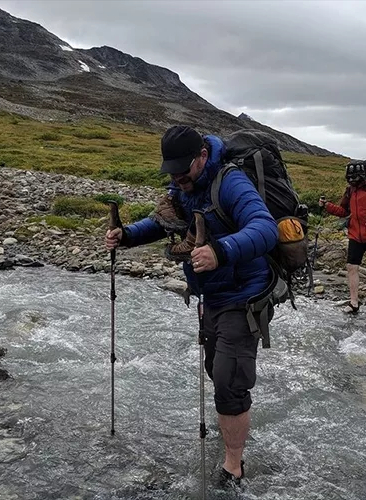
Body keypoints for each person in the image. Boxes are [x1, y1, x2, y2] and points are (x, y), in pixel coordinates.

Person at [105, 125, 278, 486]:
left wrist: (221, 250)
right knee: (217, 369)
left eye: (183, 170)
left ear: (202, 155)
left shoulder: (230, 182)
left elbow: (265, 228)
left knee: (229, 382)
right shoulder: (183, 186)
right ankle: (231, 423)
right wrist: (129, 236)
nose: (178, 178)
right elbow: (161, 223)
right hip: (211, 294)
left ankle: (233, 466)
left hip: (244, 294)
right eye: (172, 171)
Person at [319, 162, 366, 314]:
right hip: (355, 235)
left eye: (355, 179)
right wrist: (327, 206)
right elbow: (344, 211)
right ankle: (354, 302)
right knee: (352, 266)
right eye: (350, 179)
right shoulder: (351, 190)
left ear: (363, 176)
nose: (352, 182)